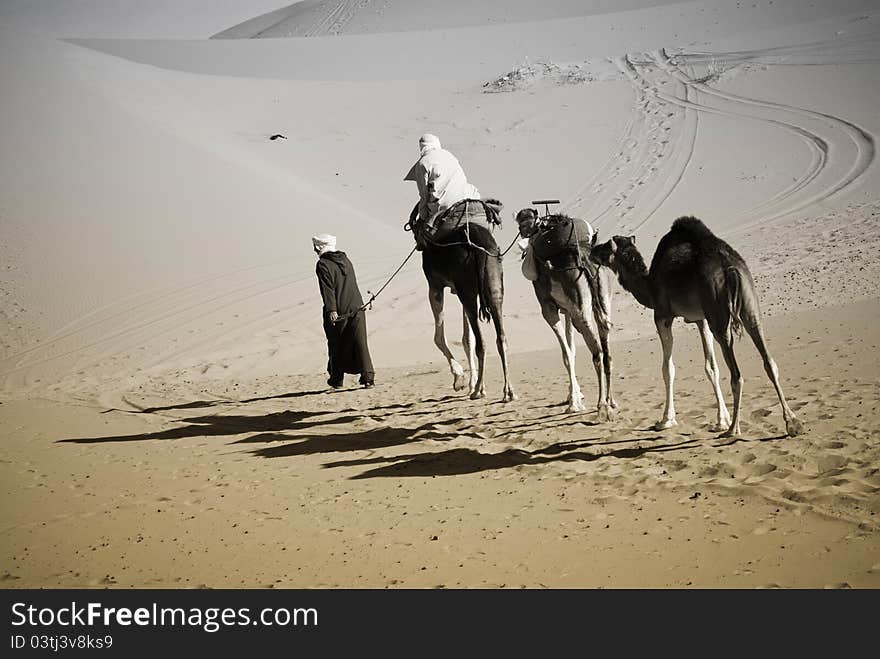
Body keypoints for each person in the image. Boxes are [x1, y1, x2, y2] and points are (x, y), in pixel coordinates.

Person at [313, 234, 375, 389]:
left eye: (315, 246)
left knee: (336, 343)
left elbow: (327, 289)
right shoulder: (346, 260)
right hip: (357, 306)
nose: (314, 249)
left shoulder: (323, 264)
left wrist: (331, 309)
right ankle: (368, 379)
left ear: (320, 247)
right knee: (360, 342)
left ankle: (336, 380)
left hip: (339, 310)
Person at [404, 133, 480, 247]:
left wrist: (423, 217)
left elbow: (424, 197)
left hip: (444, 207)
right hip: (468, 199)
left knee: (425, 237)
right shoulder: (449, 155)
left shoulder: (422, 164)